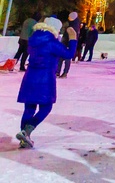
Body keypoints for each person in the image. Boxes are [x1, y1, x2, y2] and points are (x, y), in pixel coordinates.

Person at [16, 16, 77, 148]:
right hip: (45, 79)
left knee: (29, 108)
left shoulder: (33, 39)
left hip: (30, 77)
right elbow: (69, 54)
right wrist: (73, 38)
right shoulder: (51, 43)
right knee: (46, 107)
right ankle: (26, 132)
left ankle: (23, 138)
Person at [57, 12, 80, 77]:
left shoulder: (73, 27)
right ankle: (58, 72)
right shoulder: (72, 25)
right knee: (61, 58)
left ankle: (64, 73)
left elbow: (72, 38)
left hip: (68, 44)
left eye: (69, 17)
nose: (68, 18)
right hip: (66, 43)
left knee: (66, 58)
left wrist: (67, 44)